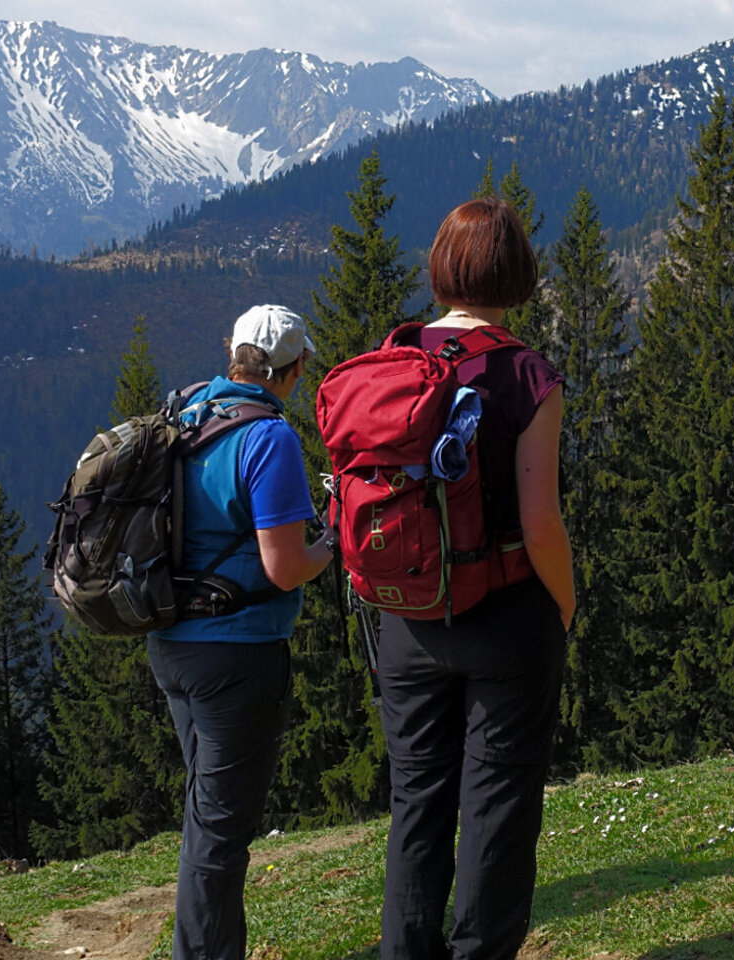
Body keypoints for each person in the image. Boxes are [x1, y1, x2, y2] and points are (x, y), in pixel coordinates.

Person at [378, 197, 575, 960]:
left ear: (442, 267)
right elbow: (542, 523)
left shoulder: (394, 358)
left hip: (409, 612)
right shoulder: (528, 374)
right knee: (496, 803)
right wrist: (563, 604)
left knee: (416, 803)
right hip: (506, 612)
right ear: (517, 271)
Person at [150, 303, 333, 960]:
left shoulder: (188, 411)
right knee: (221, 833)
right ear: (295, 368)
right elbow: (285, 568)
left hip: (170, 642)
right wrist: (332, 546)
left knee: (208, 817)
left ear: (231, 351)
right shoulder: (270, 437)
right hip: (238, 653)